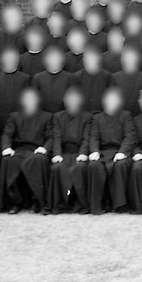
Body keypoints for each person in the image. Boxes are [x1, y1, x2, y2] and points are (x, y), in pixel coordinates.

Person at [0, 87, 53, 213]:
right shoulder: (14, 117)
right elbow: (7, 134)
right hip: (19, 151)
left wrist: (44, 149)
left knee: (38, 160)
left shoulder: (46, 117)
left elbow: (51, 137)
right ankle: (15, 203)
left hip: (37, 151)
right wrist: (7, 148)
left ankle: (37, 201)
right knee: (9, 161)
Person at [85, 87, 134, 214]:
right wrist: (94, 151)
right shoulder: (97, 118)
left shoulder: (125, 116)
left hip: (119, 151)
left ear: (118, 102)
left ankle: (119, 205)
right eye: (108, 100)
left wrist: (122, 152)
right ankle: (98, 205)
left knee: (121, 165)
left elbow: (129, 136)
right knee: (94, 165)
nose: (110, 103)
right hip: (103, 152)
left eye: (113, 101)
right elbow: (94, 137)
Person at [47, 86, 91, 214]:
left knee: (79, 168)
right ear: (65, 101)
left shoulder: (87, 117)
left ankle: (79, 205)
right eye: (70, 100)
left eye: (75, 100)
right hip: (64, 153)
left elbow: (86, 139)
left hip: (79, 153)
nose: (72, 103)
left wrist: (83, 154)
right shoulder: (58, 117)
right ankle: (60, 205)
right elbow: (56, 137)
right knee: (57, 168)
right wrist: (57, 154)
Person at [0, 44, 30, 121]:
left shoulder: (25, 79)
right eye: (7, 58)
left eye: (13, 58)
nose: (10, 61)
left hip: (18, 122)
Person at [110, 44, 142, 116]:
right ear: (122, 59)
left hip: (139, 117)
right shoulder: (115, 78)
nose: (130, 61)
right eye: (127, 58)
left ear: (137, 59)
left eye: (132, 58)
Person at [73, 44, 111, 113]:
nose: (90, 61)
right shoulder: (76, 77)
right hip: (82, 116)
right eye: (87, 58)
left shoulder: (107, 77)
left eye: (93, 58)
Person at [0, 3, 25, 73]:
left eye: (14, 16)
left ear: (19, 17)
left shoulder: (25, 37)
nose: (11, 19)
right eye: (8, 16)